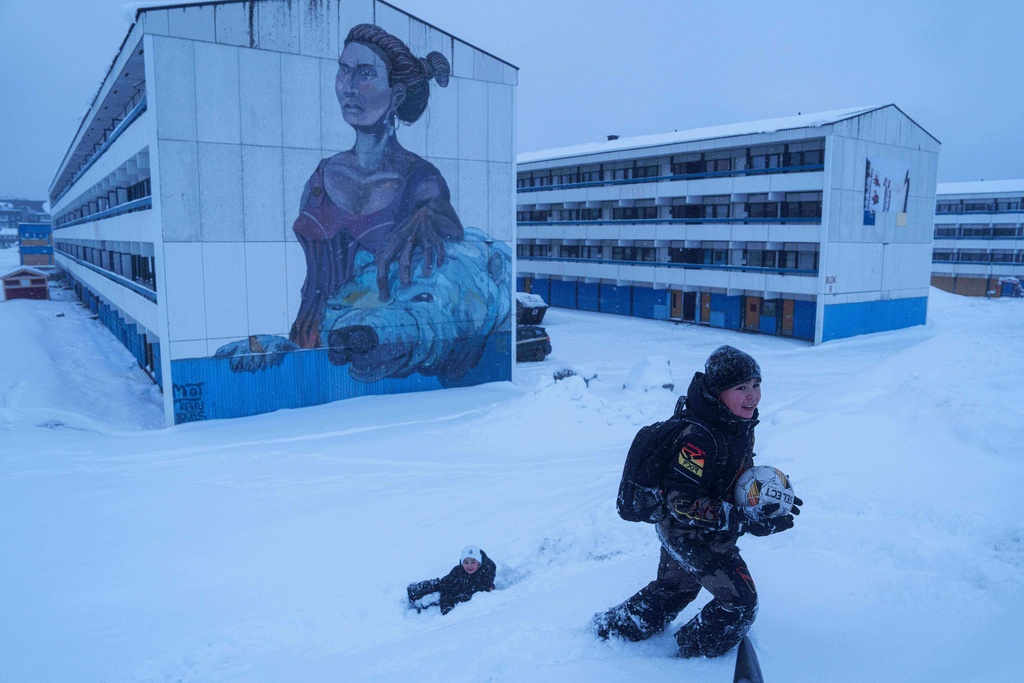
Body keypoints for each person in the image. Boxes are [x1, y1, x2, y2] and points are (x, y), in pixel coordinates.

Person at [594, 345, 802, 658]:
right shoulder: (700, 438)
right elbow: (683, 501)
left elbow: (725, 477)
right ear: (718, 392)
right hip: (690, 534)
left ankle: (612, 628)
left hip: (687, 529)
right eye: (741, 388)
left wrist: (766, 498)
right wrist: (744, 520)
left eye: (756, 385)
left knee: (675, 590)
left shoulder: (733, 421)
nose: (753, 396)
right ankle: (688, 662)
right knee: (740, 605)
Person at [290, 23, 464, 348]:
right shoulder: (321, 177)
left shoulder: (419, 179)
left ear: (397, 94)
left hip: (373, 352)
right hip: (307, 345)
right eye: (343, 70)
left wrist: (428, 217)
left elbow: (444, 218)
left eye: (365, 73)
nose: (348, 87)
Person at [407, 545, 496, 615]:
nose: (469, 566)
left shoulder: (485, 575)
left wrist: (449, 605)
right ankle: (413, 590)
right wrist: (446, 605)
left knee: (436, 598)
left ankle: (420, 604)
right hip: (451, 586)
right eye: (466, 562)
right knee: (436, 584)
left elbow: (482, 592)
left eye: (473, 562)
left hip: (459, 593)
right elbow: (446, 587)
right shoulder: (458, 571)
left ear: (479, 563)